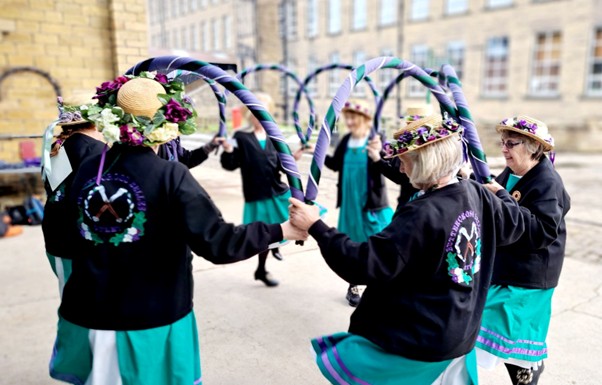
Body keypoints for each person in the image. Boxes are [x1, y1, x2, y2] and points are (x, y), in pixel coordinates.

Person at [49, 72, 306, 384]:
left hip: (89, 314)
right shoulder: (171, 175)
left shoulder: (88, 168)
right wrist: (283, 230)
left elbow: (64, 237)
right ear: (166, 125)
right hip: (149, 321)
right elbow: (218, 242)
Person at [287, 114, 527, 384]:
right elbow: (515, 224)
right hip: (458, 334)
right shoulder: (475, 192)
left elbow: (362, 264)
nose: (400, 170)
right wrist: (500, 193)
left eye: (404, 161)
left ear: (425, 163)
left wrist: (316, 226)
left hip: (420, 340)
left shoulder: (422, 213)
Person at [476, 116, 571, 385]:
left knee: (501, 328)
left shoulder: (547, 182)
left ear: (532, 147)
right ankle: (526, 371)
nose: (503, 149)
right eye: (502, 142)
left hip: (530, 273)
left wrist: (502, 197)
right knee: (502, 334)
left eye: (511, 143)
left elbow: (542, 231)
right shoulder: (513, 172)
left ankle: (527, 371)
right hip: (508, 266)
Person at [220, 92, 305, 287]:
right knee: (262, 235)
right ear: (250, 114)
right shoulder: (240, 136)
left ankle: (277, 246)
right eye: (256, 112)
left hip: (277, 191)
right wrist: (228, 150)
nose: (260, 116)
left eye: (263, 112)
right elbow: (230, 165)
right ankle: (261, 269)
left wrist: (294, 158)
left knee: (299, 214)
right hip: (257, 195)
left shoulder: (275, 137)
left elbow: (283, 165)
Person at [324, 98, 394, 307]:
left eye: (354, 118)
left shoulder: (376, 138)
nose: (350, 122)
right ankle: (353, 284)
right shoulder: (346, 140)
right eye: (348, 118)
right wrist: (315, 154)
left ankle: (379, 282)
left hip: (370, 201)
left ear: (364, 119)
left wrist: (380, 152)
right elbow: (335, 165)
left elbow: (388, 163)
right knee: (352, 241)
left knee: (379, 237)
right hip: (350, 202)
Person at [41, 93, 105, 296]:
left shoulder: (59, 146)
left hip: (59, 237)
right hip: (79, 243)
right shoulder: (97, 151)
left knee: (75, 299)